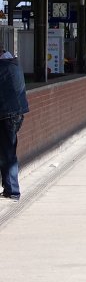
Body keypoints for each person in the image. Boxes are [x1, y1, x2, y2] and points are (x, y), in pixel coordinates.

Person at [0, 48, 29, 201]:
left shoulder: (3, 67)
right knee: (8, 152)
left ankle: (12, 191)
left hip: (6, 115)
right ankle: (9, 189)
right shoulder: (14, 63)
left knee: (7, 154)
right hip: (16, 114)